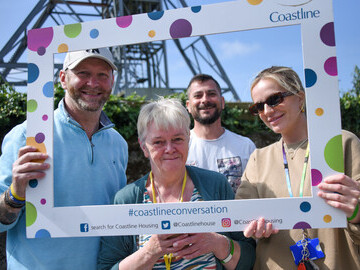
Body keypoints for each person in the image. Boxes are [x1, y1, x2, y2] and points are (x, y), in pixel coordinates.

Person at [0, 48, 128, 269]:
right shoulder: (28, 136)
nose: (93, 83)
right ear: (62, 78)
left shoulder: (118, 143)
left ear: (112, 81)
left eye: (102, 75)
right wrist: (15, 194)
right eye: (83, 73)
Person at [97, 97, 255, 270]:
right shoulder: (126, 200)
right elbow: (106, 267)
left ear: (188, 139)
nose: (170, 149)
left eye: (177, 139)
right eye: (158, 142)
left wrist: (218, 243)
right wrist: (150, 252)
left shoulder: (216, 185)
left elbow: (248, 259)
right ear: (144, 147)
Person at [236, 66, 360, 269]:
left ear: (300, 98)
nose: (267, 111)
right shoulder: (258, 159)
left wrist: (356, 211)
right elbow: (242, 217)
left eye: (275, 99)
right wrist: (251, 227)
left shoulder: (341, 144)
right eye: (258, 106)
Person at [186, 74, 256, 193]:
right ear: (188, 106)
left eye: (211, 94)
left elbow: (257, 194)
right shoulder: (178, 148)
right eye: (198, 95)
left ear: (222, 102)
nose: (205, 100)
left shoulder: (246, 146)